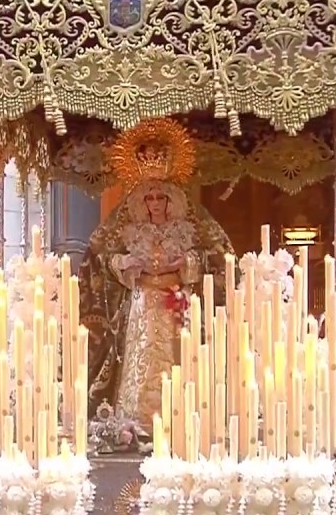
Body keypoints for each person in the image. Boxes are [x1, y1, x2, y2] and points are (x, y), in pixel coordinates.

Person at [78, 118, 233, 437]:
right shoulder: (131, 230)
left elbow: (214, 256)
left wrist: (185, 262)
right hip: (143, 303)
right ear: (141, 202)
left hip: (176, 301)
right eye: (149, 198)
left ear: (171, 200)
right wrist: (128, 263)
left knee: (178, 355)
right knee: (142, 356)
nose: (155, 204)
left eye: (160, 198)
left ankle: (181, 417)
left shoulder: (186, 229)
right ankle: (137, 420)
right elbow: (104, 258)